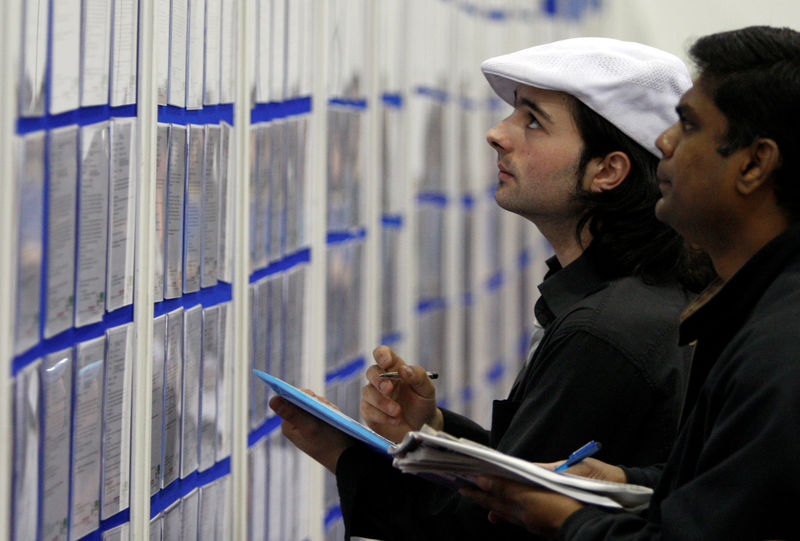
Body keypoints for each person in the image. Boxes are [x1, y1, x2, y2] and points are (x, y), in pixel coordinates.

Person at [270, 37, 713, 540]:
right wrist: (434, 429)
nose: (497, 134)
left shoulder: (606, 331)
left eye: (533, 121)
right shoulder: (630, 299)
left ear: (607, 170)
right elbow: (531, 471)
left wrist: (341, 453)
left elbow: (492, 526)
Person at [461, 25, 800, 540]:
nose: (664, 140)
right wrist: (627, 484)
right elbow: (727, 497)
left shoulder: (779, 346)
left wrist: (566, 518)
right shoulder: (757, 312)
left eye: (687, 126)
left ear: (754, 163)